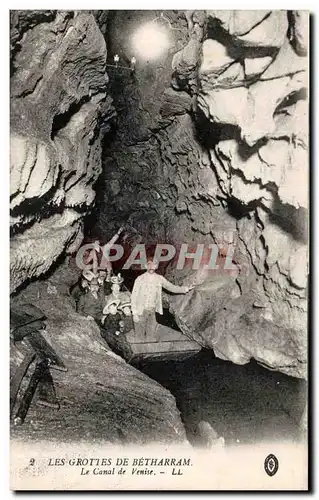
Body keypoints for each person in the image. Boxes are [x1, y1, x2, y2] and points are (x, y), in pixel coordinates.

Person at [131, 259, 194, 340]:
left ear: (156, 266)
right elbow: (134, 296)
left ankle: (150, 351)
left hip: (152, 312)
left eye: (153, 265)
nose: (151, 267)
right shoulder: (139, 279)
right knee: (139, 336)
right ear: (146, 266)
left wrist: (186, 289)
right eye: (149, 265)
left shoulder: (159, 278)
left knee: (150, 336)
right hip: (140, 312)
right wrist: (134, 313)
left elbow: (171, 287)